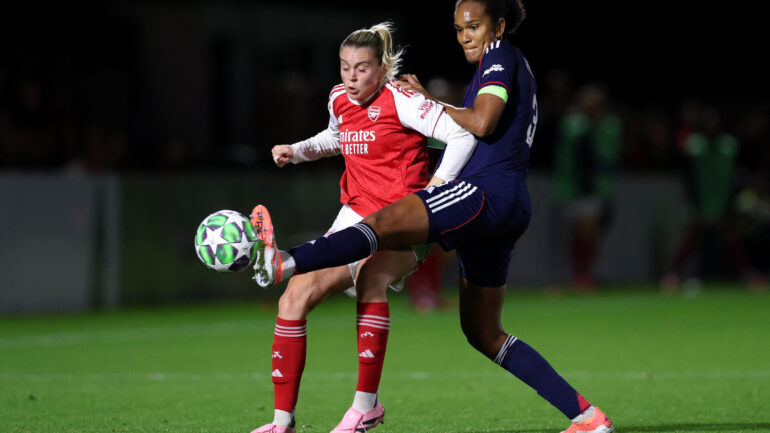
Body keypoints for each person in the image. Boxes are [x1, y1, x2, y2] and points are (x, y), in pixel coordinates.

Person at [252, 2, 614, 432]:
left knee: (380, 223)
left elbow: (478, 124)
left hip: (484, 193)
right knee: (484, 333)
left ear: (498, 26)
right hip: (507, 201)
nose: (464, 35)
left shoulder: (499, 54)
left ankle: (288, 259)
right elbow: (478, 131)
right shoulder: (499, 64)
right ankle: (587, 417)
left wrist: (430, 117)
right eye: (459, 27)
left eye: (474, 26)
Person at [250, 22, 476, 433]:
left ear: (383, 68)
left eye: (362, 69)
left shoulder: (403, 100)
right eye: (345, 68)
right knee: (292, 300)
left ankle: (365, 407)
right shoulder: (339, 98)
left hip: (405, 218)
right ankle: (282, 422)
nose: (351, 78)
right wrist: (297, 151)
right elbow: (338, 139)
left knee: (371, 277)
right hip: (355, 214)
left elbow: (460, 134)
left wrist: (438, 188)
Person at [552, 83, 622, 290]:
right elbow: (573, 159)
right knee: (583, 233)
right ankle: (580, 274)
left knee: (591, 234)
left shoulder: (606, 127)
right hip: (578, 189)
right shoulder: (574, 127)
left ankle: (583, 273)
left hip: (598, 188)